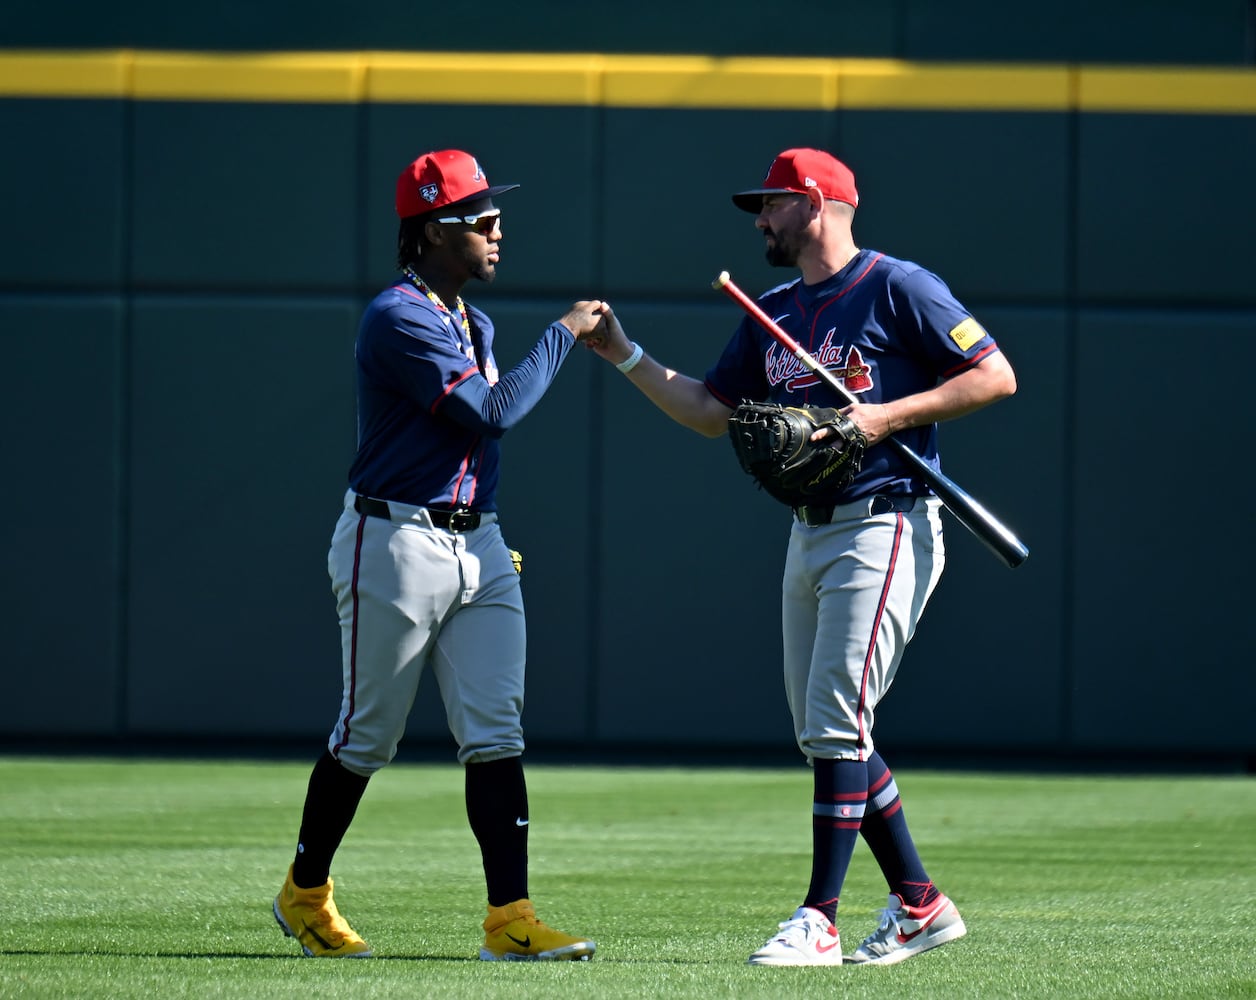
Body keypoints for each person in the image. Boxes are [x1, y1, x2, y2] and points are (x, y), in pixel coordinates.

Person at [586, 147, 1017, 966]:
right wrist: (626, 355)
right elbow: (711, 410)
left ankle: (817, 917)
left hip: (886, 521)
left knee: (834, 721)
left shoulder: (900, 287)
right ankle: (920, 905)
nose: (760, 220)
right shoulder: (773, 307)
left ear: (814, 203)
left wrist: (883, 418)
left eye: (772, 204)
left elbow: (994, 376)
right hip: (809, 529)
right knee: (831, 730)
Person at [273, 148, 606, 962]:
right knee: (368, 736)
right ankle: (304, 891)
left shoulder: (473, 320)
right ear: (431, 231)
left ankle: (511, 918)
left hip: (478, 540)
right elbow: (491, 412)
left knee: (496, 729)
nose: (499, 231)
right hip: (392, 539)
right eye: (481, 220)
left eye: (497, 217)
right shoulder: (398, 315)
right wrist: (564, 335)